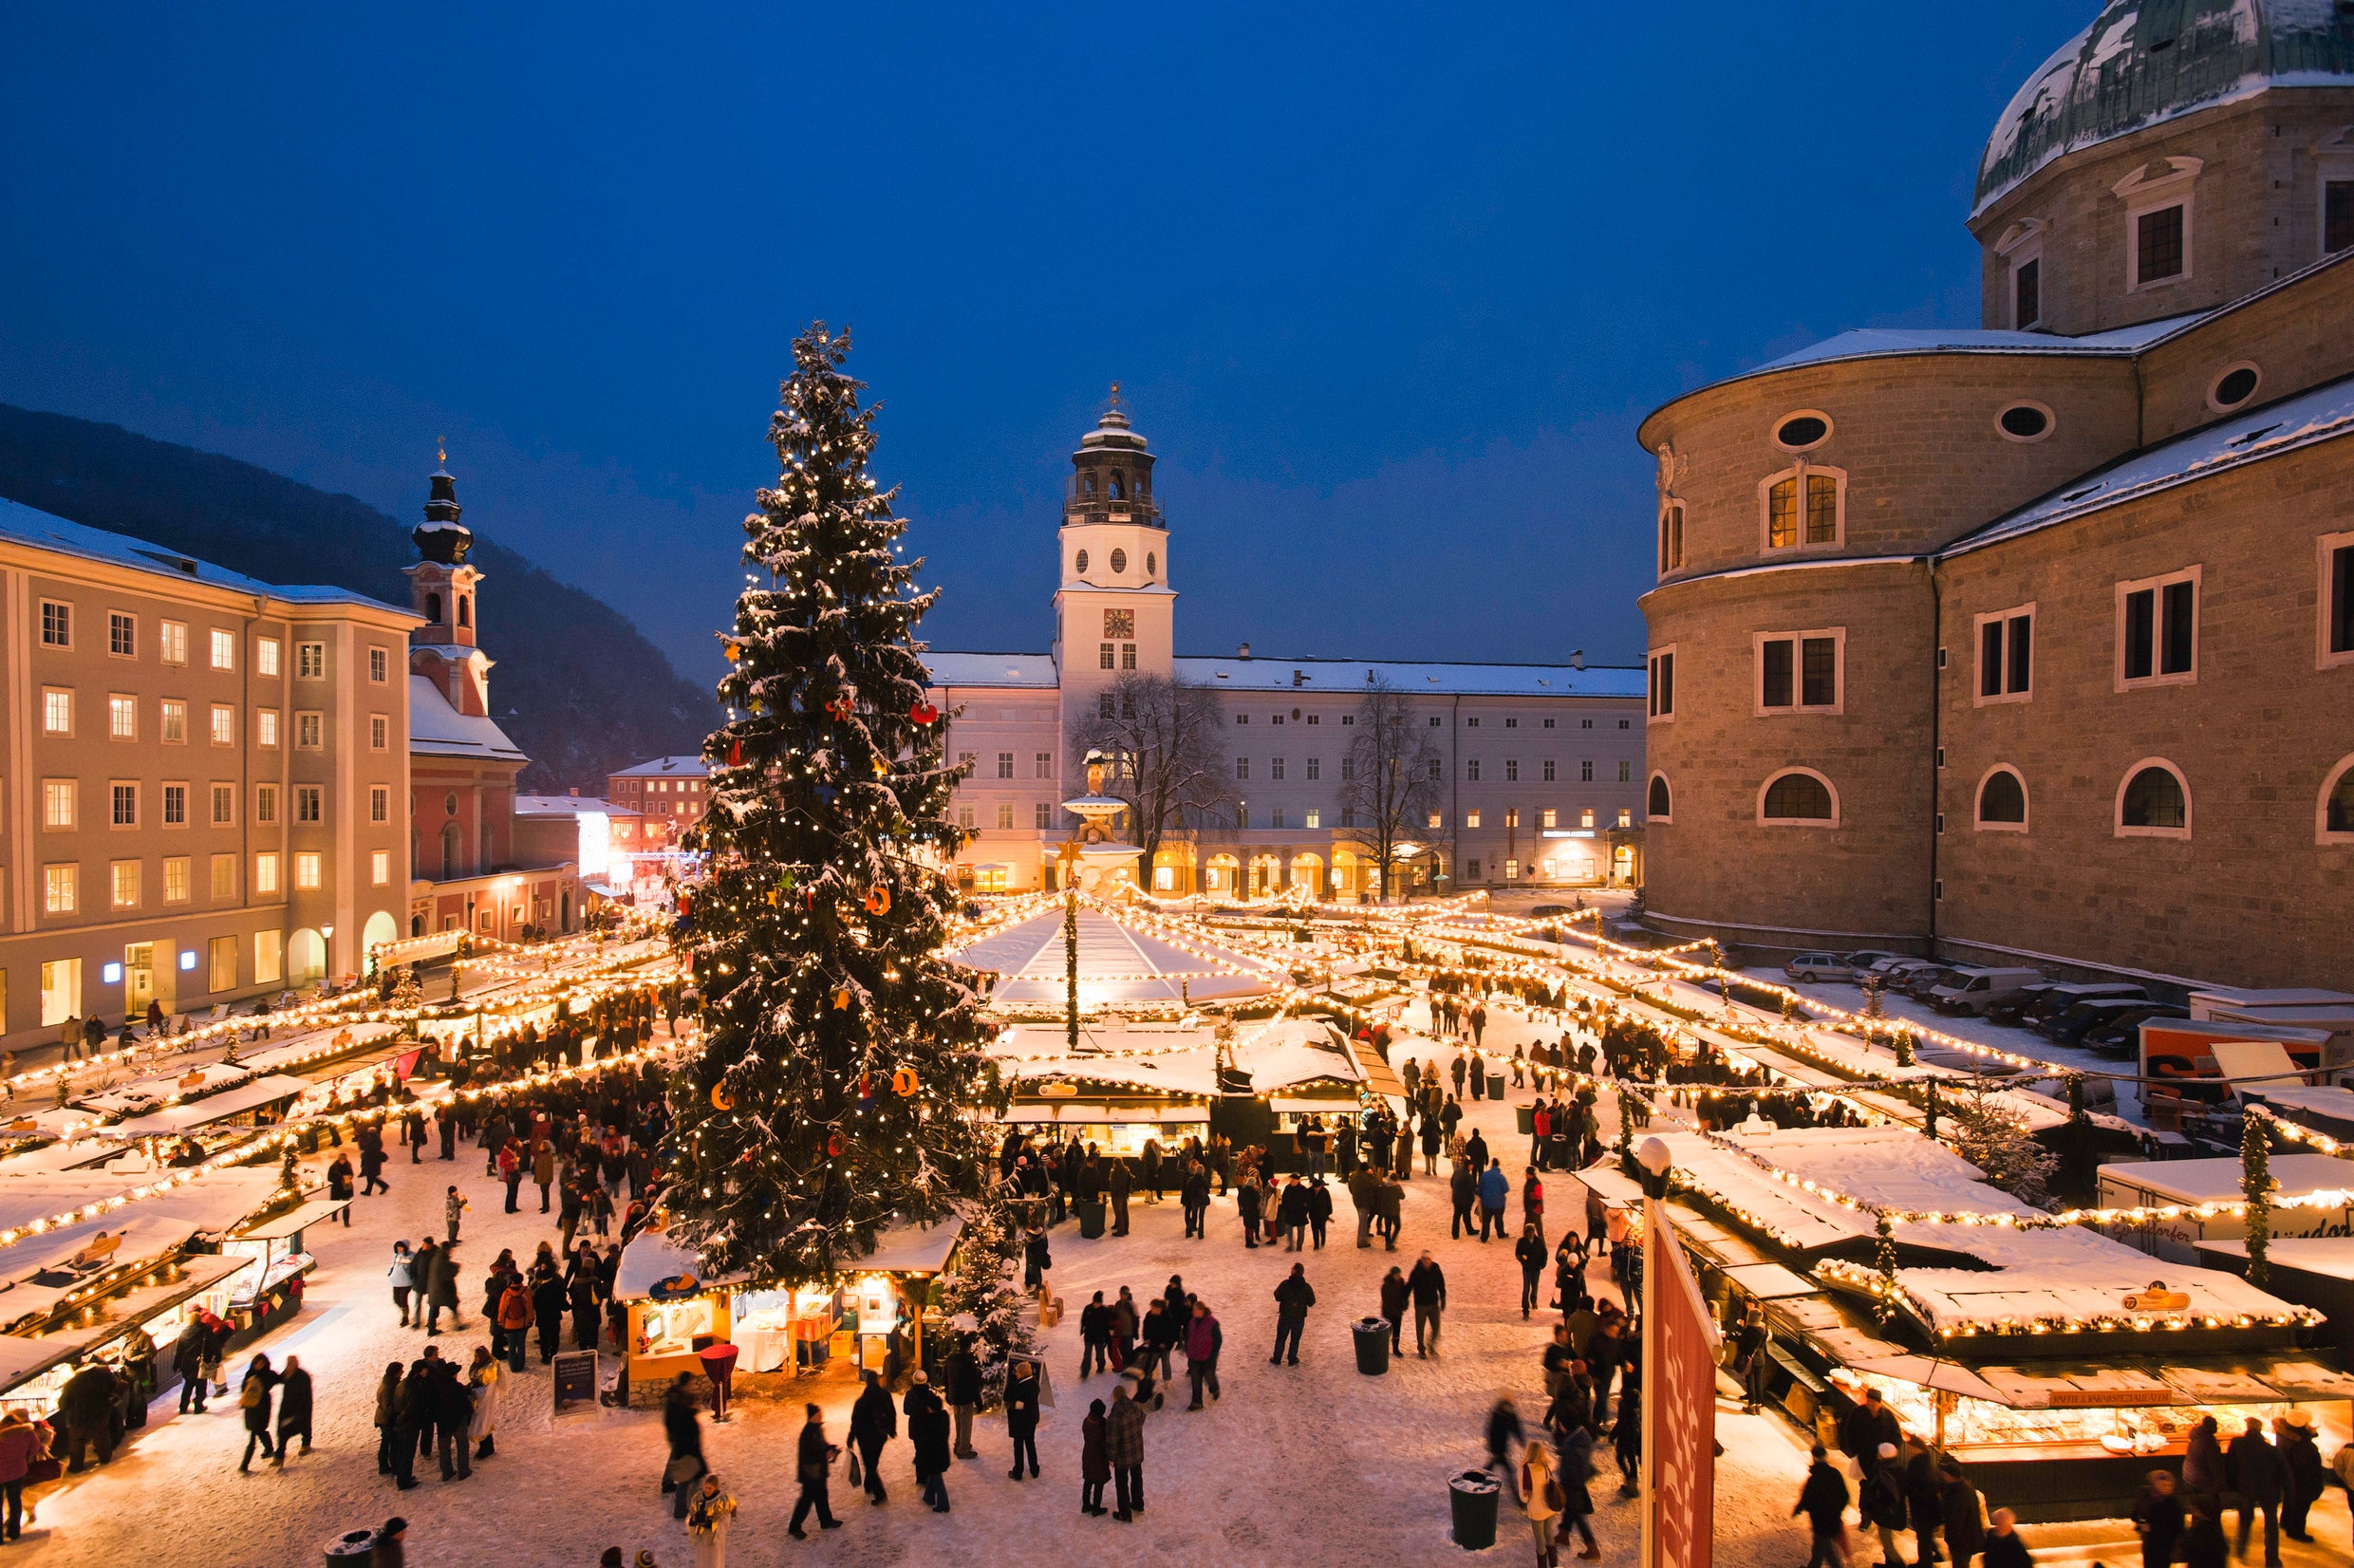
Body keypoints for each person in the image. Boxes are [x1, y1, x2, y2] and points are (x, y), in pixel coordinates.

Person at [2229, 1413, 2284, 1566]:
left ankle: (2240, 1551)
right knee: (2271, 1525)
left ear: (2247, 1428)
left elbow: (2231, 1466)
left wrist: (2232, 1485)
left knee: (2245, 1520)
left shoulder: (2237, 1443)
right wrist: (2289, 1494)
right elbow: (2284, 1473)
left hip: (2246, 1489)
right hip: (2269, 1491)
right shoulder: (2272, 1450)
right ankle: (2272, 1559)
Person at [788, 1404, 842, 1539]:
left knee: (822, 1496)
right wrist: (825, 1455)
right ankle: (794, 1527)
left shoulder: (817, 1429)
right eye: (818, 1414)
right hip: (810, 1473)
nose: (821, 1416)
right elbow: (808, 1454)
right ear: (813, 1416)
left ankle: (826, 1521)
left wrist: (831, 1448)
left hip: (818, 1471)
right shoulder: (807, 1433)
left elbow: (821, 1446)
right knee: (806, 1500)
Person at [1795, 1444, 1851, 1568]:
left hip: (1820, 1521)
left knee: (1824, 1547)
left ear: (1814, 1458)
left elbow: (1807, 1499)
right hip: (1833, 1518)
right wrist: (1838, 1510)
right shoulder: (1835, 1474)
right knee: (1820, 1547)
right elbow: (1845, 1495)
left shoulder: (1814, 1480)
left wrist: (1799, 1508)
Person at [905, 1370, 951, 1513]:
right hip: (938, 1448)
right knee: (931, 1468)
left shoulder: (911, 1395)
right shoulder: (933, 1399)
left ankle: (923, 1480)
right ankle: (928, 1495)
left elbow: (906, 1410)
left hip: (925, 1441)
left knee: (925, 1459)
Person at [849, 1370, 896, 1504]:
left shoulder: (862, 1401)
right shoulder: (885, 1395)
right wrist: (891, 1430)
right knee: (873, 1462)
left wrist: (851, 1438)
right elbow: (892, 1413)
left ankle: (879, 1493)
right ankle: (869, 1485)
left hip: (865, 1438)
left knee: (869, 1465)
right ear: (877, 1380)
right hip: (880, 1436)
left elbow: (855, 1422)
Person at [663, 1372, 704, 1518]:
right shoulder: (681, 1400)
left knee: (675, 1459)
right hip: (683, 1441)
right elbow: (681, 1421)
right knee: (686, 1473)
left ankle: (667, 1483)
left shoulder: (676, 1396)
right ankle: (681, 1506)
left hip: (679, 1439)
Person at [2278, 1410, 2324, 1541]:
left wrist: (2311, 1433)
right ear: (2302, 1426)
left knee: (2290, 1500)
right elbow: (2305, 1467)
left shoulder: (2286, 1434)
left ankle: (2286, 1522)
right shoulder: (2303, 1446)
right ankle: (2296, 1532)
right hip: (2302, 1482)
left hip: (2291, 1478)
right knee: (2300, 1507)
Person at [1860, 1441, 1907, 1568]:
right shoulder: (1899, 1469)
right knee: (1885, 1537)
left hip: (1888, 1514)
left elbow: (1880, 1495)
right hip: (1895, 1512)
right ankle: (1891, 1563)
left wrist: (1874, 1507)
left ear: (1882, 1455)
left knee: (1886, 1541)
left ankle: (1897, 1564)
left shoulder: (1882, 1472)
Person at [1108, 1375, 1147, 1521]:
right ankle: (1137, 1504)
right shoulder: (1135, 1407)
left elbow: (1112, 1440)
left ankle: (1125, 1513)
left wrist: (1111, 1457)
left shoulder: (1114, 1416)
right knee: (1137, 1478)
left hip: (1123, 1457)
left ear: (1115, 1398)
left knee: (1122, 1484)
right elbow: (1143, 1417)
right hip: (1136, 1452)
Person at [1903, 1434, 1944, 1565]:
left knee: (1923, 1538)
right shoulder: (1924, 1462)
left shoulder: (1918, 1465)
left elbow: (1915, 1486)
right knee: (1925, 1536)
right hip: (1928, 1510)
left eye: (1909, 1448)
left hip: (1923, 1510)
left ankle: (1925, 1563)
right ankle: (1936, 1554)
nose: (1908, 1450)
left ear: (1916, 1449)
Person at [1938, 1454, 1985, 1568]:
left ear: (1950, 1476)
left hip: (1962, 1540)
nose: (1943, 1476)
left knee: (1960, 1564)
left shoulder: (1959, 1492)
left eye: (1944, 1474)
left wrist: (1952, 1539)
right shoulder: (1964, 1488)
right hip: (1965, 1539)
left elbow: (1957, 1517)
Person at [2133, 1468, 2185, 1568]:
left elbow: (2178, 1527)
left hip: (2164, 1544)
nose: (2166, 1488)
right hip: (2151, 1542)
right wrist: (2143, 1525)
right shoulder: (2145, 1495)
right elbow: (2136, 1514)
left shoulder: (2173, 1503)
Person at [0, 1410, 37, 1543]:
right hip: (18, 1472)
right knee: (15, 1501)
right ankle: (14, 1532)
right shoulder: (27, 1432)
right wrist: (26, 1457)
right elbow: (34, 1448)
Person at [685, 1473, 736, 1568]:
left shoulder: (722, 1502)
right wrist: (692, 1521)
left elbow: (725, 1522)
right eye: (705, 1487)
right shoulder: (697, 1498)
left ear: (715, 1488)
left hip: (714, 1542)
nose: (706, 1490)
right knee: (702, 1562)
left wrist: (710, 1524)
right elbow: (690, 1515)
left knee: (714, 1563)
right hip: (701, 1539)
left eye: (710, 1488)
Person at [943, 1342, 981, 1459]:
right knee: (966, 1423)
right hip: (966, 1396)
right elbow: (974, 1382)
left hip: (955, 1395)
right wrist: (978, 1400)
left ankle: (959, 1442)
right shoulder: (968, 1362)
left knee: (958, 1419)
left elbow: (945, 1377)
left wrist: (948, 1393)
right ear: (968, 1348)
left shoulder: (951, 1360)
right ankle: (963, 1449)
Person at [1271, 1262, 1315, 1366]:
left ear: (1294, 1271)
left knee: (1281, 1338)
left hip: (1285, 1317)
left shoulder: (1285, 1284)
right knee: (1295, 1339)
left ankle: (1277, 1358)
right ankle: (1292, 1358)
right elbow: (1311, 1302)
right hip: (1299, 1318)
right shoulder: (1306, 1287)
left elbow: (1277, 1296)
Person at [274, 1354, 314, 1465]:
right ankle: (279, 1455)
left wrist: (301, 1410)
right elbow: (278, 1379)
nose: (289, 1365)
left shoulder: (302, 1376)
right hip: (287, 1408)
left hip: (300, 1408)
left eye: (292, 1363)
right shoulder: (287, 1373)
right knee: (283, 1431)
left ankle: (305, 1443)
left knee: (303, 1426)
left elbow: (305, 1395)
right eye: (288, 1363)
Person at [1005, 1358, 1042, 1479]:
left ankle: (1018, 1472)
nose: (1015, 1373)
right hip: (1031, 1419)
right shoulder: (1034, 1383)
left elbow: (1007, 1396)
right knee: (1030, 1443)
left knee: (1019, 1446)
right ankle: (1034, 1469)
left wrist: (1011, 1382)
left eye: (1017, 1372)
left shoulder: (1019, 1387)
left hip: (1019, 1421)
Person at [1183, 1301, 1222, 1410]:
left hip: (1207, 1357)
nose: (1193, 1312)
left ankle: (1214, 1388)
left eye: (1195, 1310)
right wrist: (1187, 1349)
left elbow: (1218, 1341)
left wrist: (1213, 1356)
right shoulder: (1192, 1321)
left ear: (1201, 1310)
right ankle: (1197, 1402)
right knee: (1195, 1379)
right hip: (1194, 1356)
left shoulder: (1212, 1323)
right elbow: (1188, 1336)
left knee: (1209, 1376)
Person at [1408, 1251, 1448, 1357]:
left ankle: (1431, 1345)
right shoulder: (1416, 1271)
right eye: (1424, 1259)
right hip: (1420, 1305)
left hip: (1433, 1304)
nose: (1426, 1261)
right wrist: (1404, 1299)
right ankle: (1421, 1349)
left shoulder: (1436, 1269)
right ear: (1421, 1259)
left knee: (1436, 1327)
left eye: (1428, 1259)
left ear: (1431, 1259)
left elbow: (1441, 1284)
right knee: (1420, 1328)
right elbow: (1409, 1286)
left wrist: (1443, 1298)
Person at [467, 1346, 500, 1460]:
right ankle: (485, 1447)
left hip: (483, 1400)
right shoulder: (478, 1364)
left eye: (477, 1356)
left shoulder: (489, 1368)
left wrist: (474, 1391)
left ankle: (487, 1449)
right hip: (477, 1396)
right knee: (481, 1423)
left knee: (483, 1423)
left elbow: (487, 1387)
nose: (475, 1358)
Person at [1080, 1397, 1111, 1517]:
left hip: (1087, 1454)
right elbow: (1106, 1441)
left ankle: (1086, 1504)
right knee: (1099, 1482)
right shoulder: (1102, 1425)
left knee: (1088, 1480)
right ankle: (1096, 1508)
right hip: (1099, 1457)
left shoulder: (1086, 1421)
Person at [2181, 1498, 2229, 1568]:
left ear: (2200, 1511)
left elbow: (2194, 1548)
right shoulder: (2215, 1528)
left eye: (2194, 1508)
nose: (2191, 1510)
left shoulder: (2201, 1529)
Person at [1516, 1225, 1548, 1319]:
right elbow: (1518, 1253)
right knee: (1526, 1288)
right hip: (1527, 1268)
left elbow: (1544, 1253)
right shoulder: (1521, 1242)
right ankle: (1525, 1309)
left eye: (1532, 1232)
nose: (1530, 1234)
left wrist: (1543, 1263)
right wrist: (1522, 1259)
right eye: (1528, 1232)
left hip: (1536, 1268)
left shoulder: (1539, 1241)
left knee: (1535, 1286)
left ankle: (1533, 1301)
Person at [1380, 1266, 1411, 1356]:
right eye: (1397, 1275)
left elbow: (1405, 1295)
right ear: (1392, 1275)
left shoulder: (1401, 1283)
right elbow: (1386, 1301)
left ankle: (1395, 1349)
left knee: (1397, 1331)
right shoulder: (1386, 1286)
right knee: (1387, 1332)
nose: (1398, 1277)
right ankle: (1382, 1349)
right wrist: (1393, 1311)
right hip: (1389, 1313)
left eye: (1399, 1275)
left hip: (1398, 1312)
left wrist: (1404, 1306)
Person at [1479, 1159, 1511, 1241]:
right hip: (1499, 1203)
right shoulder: (1501, 1177)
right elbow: (1506, 1189)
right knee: (1499, 1219)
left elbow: (1480, 1188)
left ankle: (1484, 1237)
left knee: (1486, 1221)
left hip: (1486, 1203)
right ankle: (1500, 1234)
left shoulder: (1484, 1175)